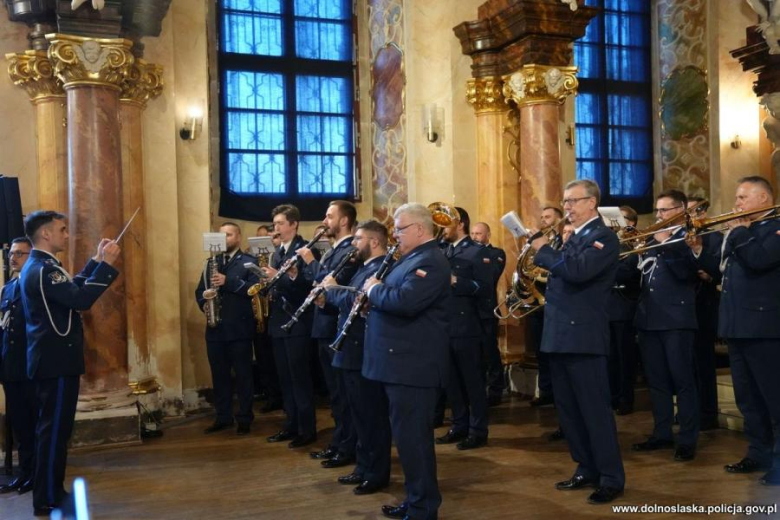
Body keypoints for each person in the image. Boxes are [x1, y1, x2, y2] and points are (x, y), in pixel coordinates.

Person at [19, 211, 120, 516]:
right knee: (53, 432)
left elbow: (71, 288)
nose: (67, 234)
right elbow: (80, 300)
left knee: (52, 431)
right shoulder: (44, 269)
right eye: (62, 230)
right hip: (56, 361)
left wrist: (94, 260)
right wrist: (106, 266)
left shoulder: (42, 266)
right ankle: (48, 497)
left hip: (51, 360)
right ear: (46, 234)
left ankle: (49, 492)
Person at [530, 179, 625, 504]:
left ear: (591, 203)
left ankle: (611, 477)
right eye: (565, 200)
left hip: (583, 336)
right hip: (560, 335)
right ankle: (586, 467)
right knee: (569, 411)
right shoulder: (575, 237)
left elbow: (578, 272)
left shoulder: (603, 237)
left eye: (573, 200)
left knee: (594, 411)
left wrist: (544, 250)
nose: (567, 206)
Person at [363, 203, 450, 520]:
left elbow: (405, 301)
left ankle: (424, 508)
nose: (395, 234)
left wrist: (373, 290)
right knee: (407, 441)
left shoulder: (431, 261)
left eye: (399, 228)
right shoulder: (411, 259)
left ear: (419, 229)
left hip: (414, 366)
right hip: (400, 364)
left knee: (415, 442)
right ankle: (416, 500)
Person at [695, 176, 780, 485]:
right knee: (748, 399)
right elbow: (719, 270)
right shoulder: (739, 231)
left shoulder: (774, 229)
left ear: (764, 199)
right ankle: (758, 453)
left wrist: (740, 232)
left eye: (743, 197)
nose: (737, 203)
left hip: (764, 328)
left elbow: (760, 260)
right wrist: (697, 250)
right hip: (737, 325)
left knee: (774, 399)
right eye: (737, 197)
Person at [320, 220, 392, 495]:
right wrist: (330, 296)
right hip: (350, 349)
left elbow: (359, 300)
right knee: (359, 415)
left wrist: (333, 290)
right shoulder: (364, 268)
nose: (353, 243)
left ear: (374, 241)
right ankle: (363, 466)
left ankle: (376, 473)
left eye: (358, 238)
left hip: (363, 350)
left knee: (371, 415)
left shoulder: (381, 267)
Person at [632, 190, 700, 462]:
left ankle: (687, 438)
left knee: (682, 381)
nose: (659, 215)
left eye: (664, 210)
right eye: (657, 210)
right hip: (649, 320)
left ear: (680, 210)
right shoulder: (652, 239)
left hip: (676, 321)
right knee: (657, 382)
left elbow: (685, 273)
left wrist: (665, 244)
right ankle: (661, 433)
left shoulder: (688, 238)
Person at [298, 201, 360, 467]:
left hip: (335, 324)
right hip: (322, 324)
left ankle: (347, 447)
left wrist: (311, 262)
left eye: (329, 216)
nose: (325, 221)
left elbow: (334, 281)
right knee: (334, 394)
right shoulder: (335, 249)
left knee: (342, 395)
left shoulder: (350, 250)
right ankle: (338, 442)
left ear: (344, 221)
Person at [264, 204, 321, 448]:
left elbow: (310, 287)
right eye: (274, 223)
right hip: (279, 322)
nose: (275, 228)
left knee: (299, 379)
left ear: (293, 224)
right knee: (285, 378)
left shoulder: (306, 249)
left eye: (279, 223)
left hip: (298, 322)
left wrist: (287, 277)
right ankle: (290, 425)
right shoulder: (278, 252)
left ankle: (307, 429)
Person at [436, 207, 492, 450]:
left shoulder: (477, 252)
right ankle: (459, 425)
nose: (442, 228)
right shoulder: (443, 251)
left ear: (460, 224)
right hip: (444, 325)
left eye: (446, 223)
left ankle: (478, 430)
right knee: (452, 382)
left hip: (467, 325)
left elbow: (486, 289)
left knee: (473, 382)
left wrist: (457, 281)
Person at [195, 222, 258, 435]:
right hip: (215, 329)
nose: (225, 239)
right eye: (222, 236)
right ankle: (223, 416)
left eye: (229, 235)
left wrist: (227, 281)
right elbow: (200, 290)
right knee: (219, 376)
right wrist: (204, 304)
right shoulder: (210, 263)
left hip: (239, 329)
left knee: (243, 376)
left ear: (238, 237)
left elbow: (254, 290)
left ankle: (245, 418)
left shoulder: (249, 262)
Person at [0, 237, 34, 495]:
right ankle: (24, 473)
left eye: (20, 253)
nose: (13, 257)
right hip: (10, 366)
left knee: (34, 424)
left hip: (30, 365)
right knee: (19, 425)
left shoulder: (34, 286)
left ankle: (35, 474)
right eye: (12, 253)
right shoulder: (9, 288)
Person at [687, 196, 721, 431]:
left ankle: (708, 414)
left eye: (693, 211)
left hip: (704, 306)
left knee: (703, 363)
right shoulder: (679, 236)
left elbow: (717, 268)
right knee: (686, 365)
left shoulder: (715, 237)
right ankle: (690, 411)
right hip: (682, 308)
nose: (689, 216)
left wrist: (698, 250)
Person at [529, 206, 564, 407]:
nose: (544, 220)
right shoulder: (544, 242)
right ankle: (545, 390)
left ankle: (554, 392)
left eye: (548, 217)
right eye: (541, 217)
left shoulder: (561, 242)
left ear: (559, 219)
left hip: (554, 300)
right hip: (540, 298)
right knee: (541, 350)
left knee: (554, 353)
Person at [607, 206, 640, 416]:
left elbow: (629, 271)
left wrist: (606, 268)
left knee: (624, 356)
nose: (615, 223)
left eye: (622, 218)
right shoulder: (610, 244)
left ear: (632, 223)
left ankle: (625, 398)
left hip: (624, 305)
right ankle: (611, 396)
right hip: (606, 307)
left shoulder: (635, 244)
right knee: (609, 357)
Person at [470, 222, 506, 406]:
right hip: (469, 311)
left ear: (488, 234)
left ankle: (495, 389)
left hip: (486, 310)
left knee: (490, 352)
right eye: (473, 233)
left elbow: (491, 275)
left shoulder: (496, 253)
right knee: (474, 354)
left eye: (479, 233)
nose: (475, 237)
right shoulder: (466, 252)